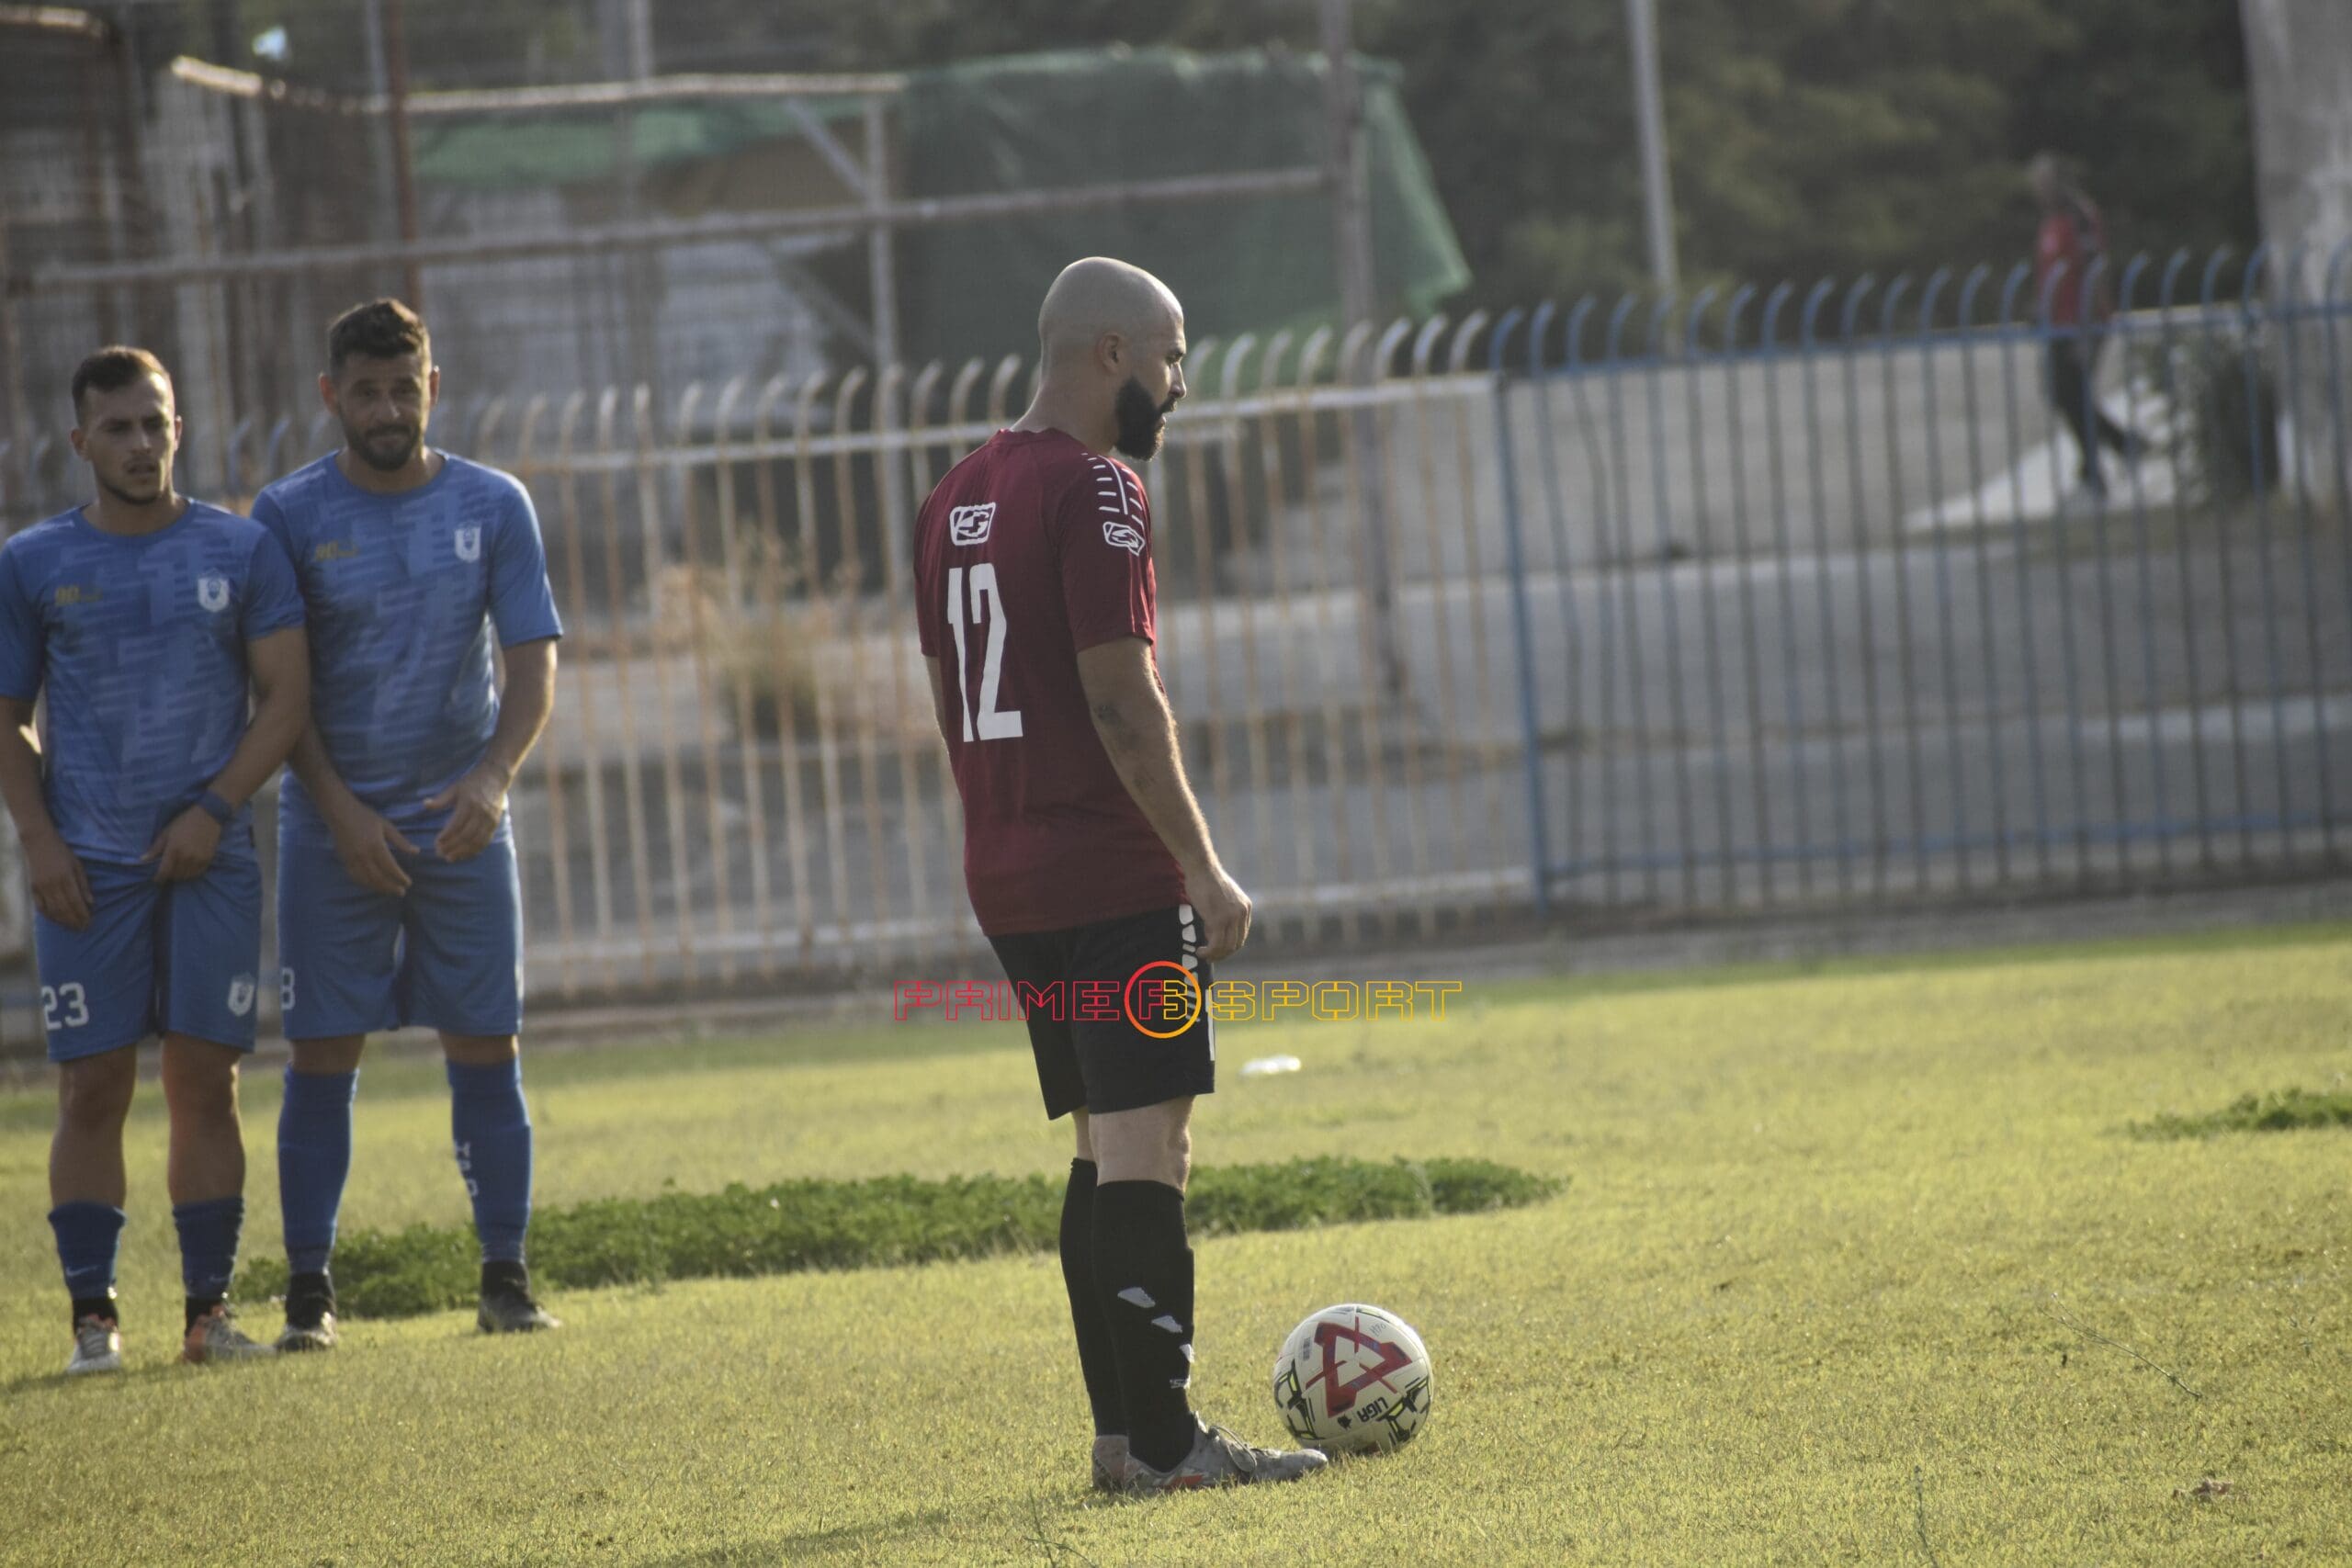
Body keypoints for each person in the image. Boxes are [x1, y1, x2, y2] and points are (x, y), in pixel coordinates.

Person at [912, 256, 1328, 1495]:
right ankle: (1164, 1442)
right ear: (1110, 354)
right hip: (1109, 869)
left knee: (1102, 1146)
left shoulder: (952, 493)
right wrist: (1199, 864)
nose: (1180, 382)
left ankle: (1120, 1439)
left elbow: (959, 693)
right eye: (1171, 356)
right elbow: (1118, 692)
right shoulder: (1099, 486)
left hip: (1010, 872)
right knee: (1151, 1147)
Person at [252, 299, 563, 1348]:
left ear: (432, 387)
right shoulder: (287, 515)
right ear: (331, 396)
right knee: (321, 1054)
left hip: (462, 824)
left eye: (404, 388)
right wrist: (339, 811)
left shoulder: (494, 503)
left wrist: (491, 780)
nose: (388, 409)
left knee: (488, 1043)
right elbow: (278, 690)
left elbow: (533, 665)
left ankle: (505, 1279)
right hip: (330, 831)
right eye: (366, 392)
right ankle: (309, 1295)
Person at [2, 347, 311, 1371]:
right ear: (80, 441)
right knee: (93, 1088)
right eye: (119, 428)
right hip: (86, 868)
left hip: (211, 858)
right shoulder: (32, 562)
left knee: (206, 1083)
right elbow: (6, 718)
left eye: (157, 423)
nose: (143, 444)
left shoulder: (241, 547)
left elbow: (287, 700)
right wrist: (41, 840)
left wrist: (215, 810)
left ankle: (207, 1318)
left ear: (180, 427)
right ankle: (93, 1324)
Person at [2030, 152, 2143, 502]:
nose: (2039, 189)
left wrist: (2087, 325)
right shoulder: (2051, 220)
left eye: (2044, 181)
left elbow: (2094, 267)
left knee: (2071, 391)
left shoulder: (2078, 215)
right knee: (2062, 392)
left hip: (2081, 322)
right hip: (2058, 323)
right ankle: (2121, 446)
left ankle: (2095, 470)